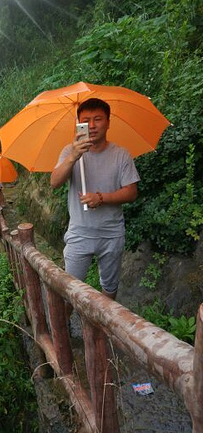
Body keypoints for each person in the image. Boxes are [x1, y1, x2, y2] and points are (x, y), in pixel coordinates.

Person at [50, 98, 140, 304]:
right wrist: (73, 156)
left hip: (112, 233)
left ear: (108, 122)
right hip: (79, 233)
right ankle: (64, 330)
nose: (92, 126)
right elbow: (54, 182)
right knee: (69, 291)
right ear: (78, 125)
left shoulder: (121, 155)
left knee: (109, 288)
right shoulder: (69, 152)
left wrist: (102, 198)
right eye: (86, 121)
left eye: (98, 119)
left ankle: (101, 333)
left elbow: (131, 192)